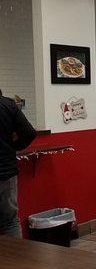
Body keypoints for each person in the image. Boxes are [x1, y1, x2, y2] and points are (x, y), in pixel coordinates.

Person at [0, 90, 36, 237]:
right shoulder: (8, 105)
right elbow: (30, 133)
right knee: (10, 222)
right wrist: (13, 147)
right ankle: (16, 259)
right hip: (6, 171)